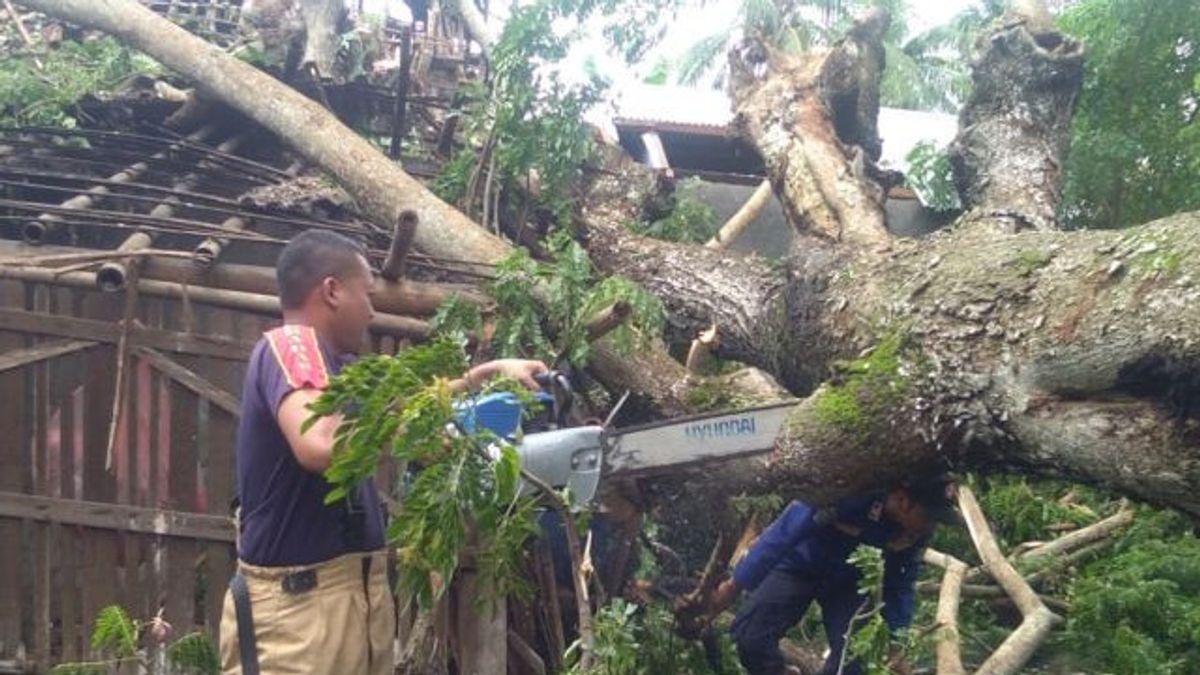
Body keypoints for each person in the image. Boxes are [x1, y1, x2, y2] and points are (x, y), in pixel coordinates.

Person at [218, 229, 548, 675]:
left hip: (349, 599)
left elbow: (406, 404)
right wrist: (411, 431)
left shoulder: (344, 373)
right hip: (303, 617)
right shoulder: (292, 343)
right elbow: (320, 444)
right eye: (367, 295)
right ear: (331, 291)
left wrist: (486, 375)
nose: (372, 312)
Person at [697, 477, 960, 675]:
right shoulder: (854, 487)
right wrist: (733, 586)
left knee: (856, 660)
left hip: (849, 583)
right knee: (750, 636)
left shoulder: (913, 533)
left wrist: (896, 642)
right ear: (904, 501)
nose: (932, 525)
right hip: (800, 564)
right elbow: (787, 530)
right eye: (929, 516)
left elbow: (901, 583)